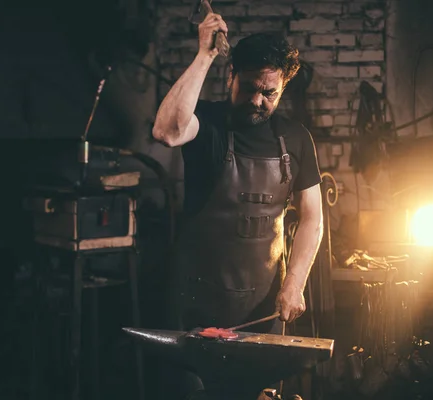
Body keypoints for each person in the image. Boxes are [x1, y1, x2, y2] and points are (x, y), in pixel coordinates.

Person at [152, 11, 324, 400]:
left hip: (262, 306)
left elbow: (313, 218)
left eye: (269, 93)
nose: (257, 100)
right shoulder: (207, 123)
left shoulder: (295, 139)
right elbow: (166, 131)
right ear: (231, 74)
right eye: (248, 87)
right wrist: (203, 55)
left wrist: (294, 284)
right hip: (194, 305)